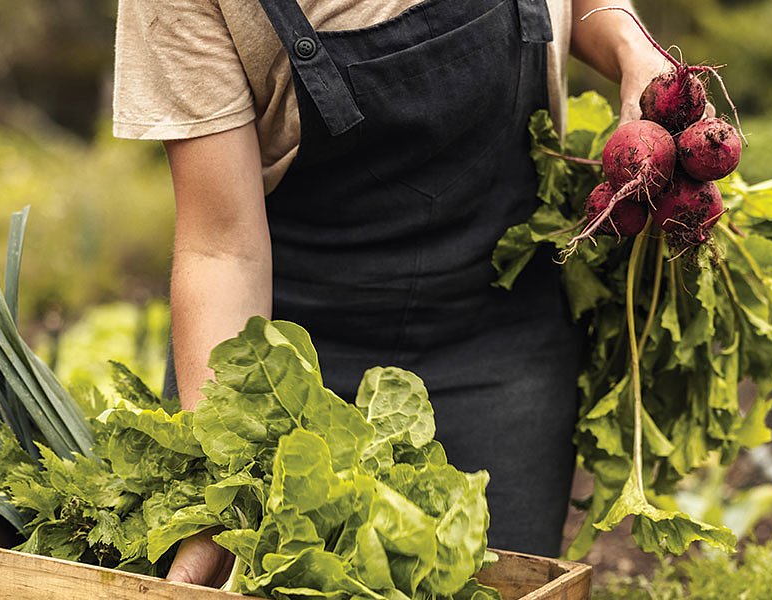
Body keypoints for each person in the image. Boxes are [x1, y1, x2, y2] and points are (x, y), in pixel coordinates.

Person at [112, 0, 669, 586]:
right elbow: (221, 249)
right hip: (293, 367)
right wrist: (221, 477)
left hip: (504, 333)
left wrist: (630, 47)